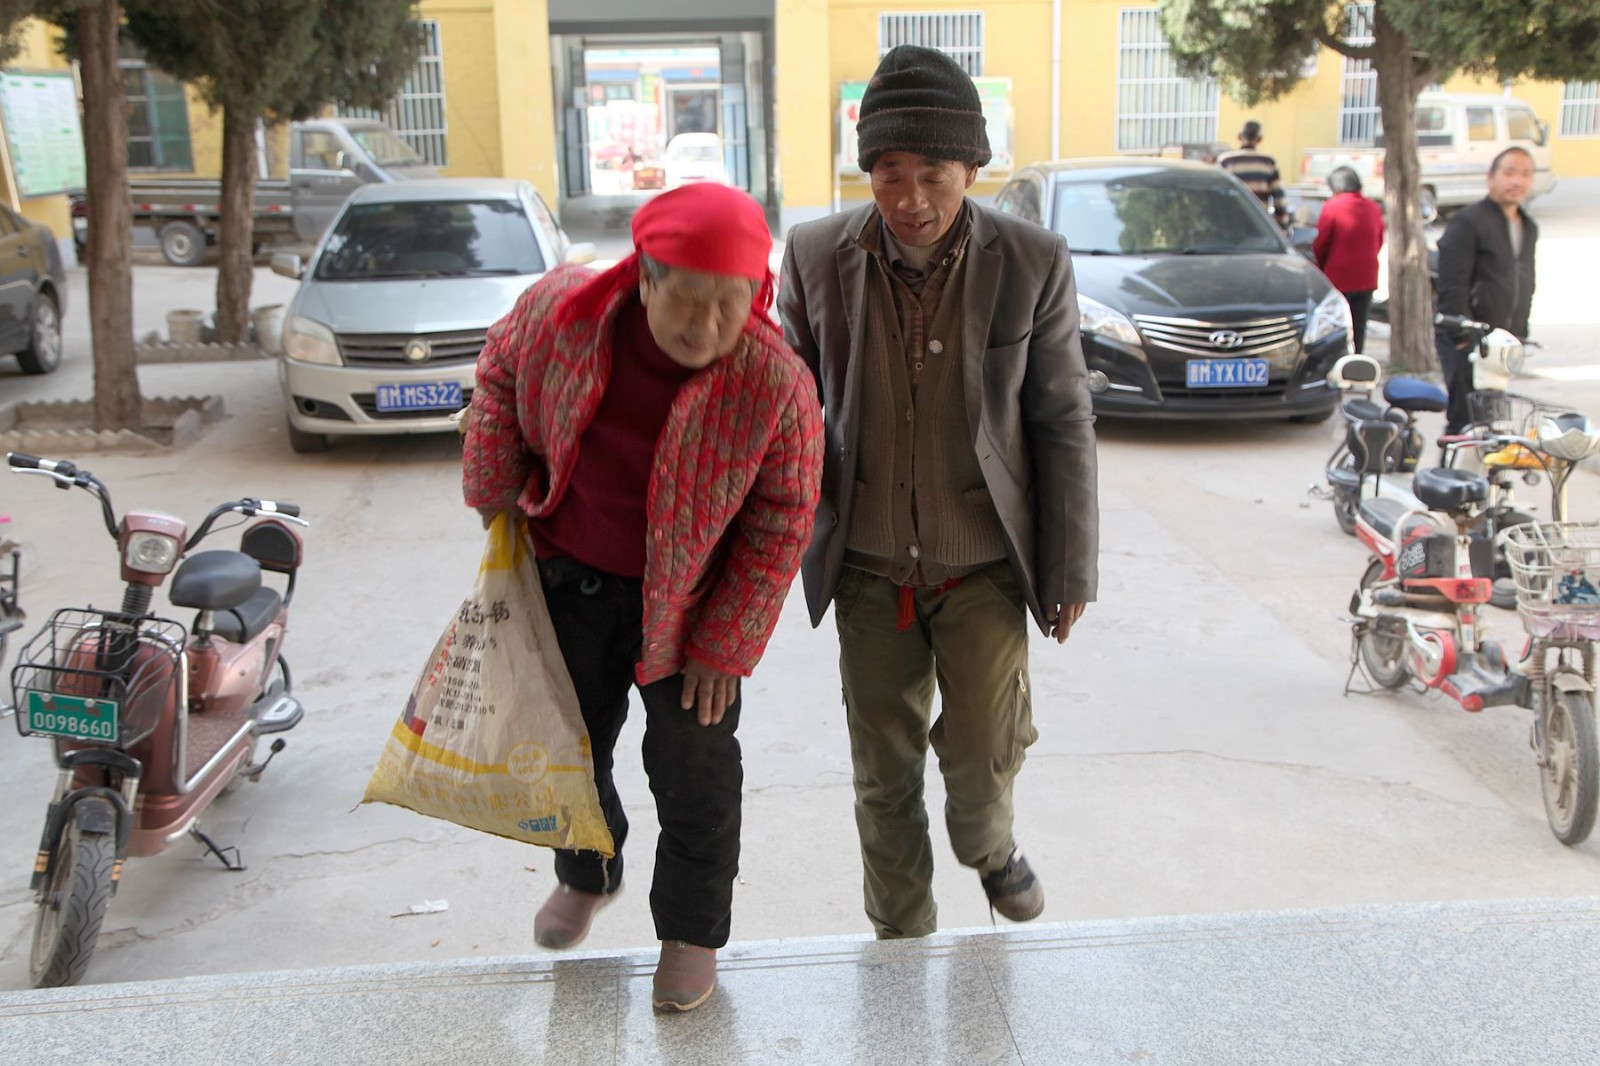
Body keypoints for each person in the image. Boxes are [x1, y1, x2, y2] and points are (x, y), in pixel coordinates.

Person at [461, 183, 823, 1012]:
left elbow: (782, 522)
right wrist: (494, 487)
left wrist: (726, 643)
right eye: (686, 300)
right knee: (565, 750)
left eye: (730, 305)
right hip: (569, 579)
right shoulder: (563, 314)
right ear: (643, 277)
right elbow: (498, 373)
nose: (706, 325)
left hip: (693, 611)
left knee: (696, 772)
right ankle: (587, 872)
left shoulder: (775, 383)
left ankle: (691, 932)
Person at [778, 44, 1099, 941]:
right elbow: (783, 406)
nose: (910, 198)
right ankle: (901, 941)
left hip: (983, 564)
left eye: (933, 174)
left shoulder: (1032, 260)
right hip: (868, 568)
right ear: (866, 171)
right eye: (888, 172)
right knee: (882, 774)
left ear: (972, 167)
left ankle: (988, 845)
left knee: (985, 751)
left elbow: (1063, 418)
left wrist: (1071, 567)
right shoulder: (813, 255)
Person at [1435, 146, 1539, 435]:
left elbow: (1526, 281)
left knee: (1494, 422)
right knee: (1466, 420)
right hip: (1468, 339)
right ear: (1491, 178)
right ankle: (1453, 464)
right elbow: (1452, 284)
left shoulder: (1528, 227)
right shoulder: (1468, 222)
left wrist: (1520, 334)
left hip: (1502, 343)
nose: (1517, 181)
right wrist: (1463, 337)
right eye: (1509, 173)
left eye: (1525, 174)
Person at [1312, 166, 1385, 354]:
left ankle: (1338, 361)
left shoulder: (1333, 206)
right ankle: (1356, 362)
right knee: (1359, 326)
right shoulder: (1373, 207)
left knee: (1336, 326)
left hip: (1339, 278)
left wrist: (1319, 268)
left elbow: (1320, 243)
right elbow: (1378, 240)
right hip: (1367, 277)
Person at [1217, 120, 1290, 229]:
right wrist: (1282, 225)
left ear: (1240, 137)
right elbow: (1279, 198)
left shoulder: (1226, 161)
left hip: (1230, 225)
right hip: (1258, 226)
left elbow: (1216, 194)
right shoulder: (1268, 162)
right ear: (1259, 139)